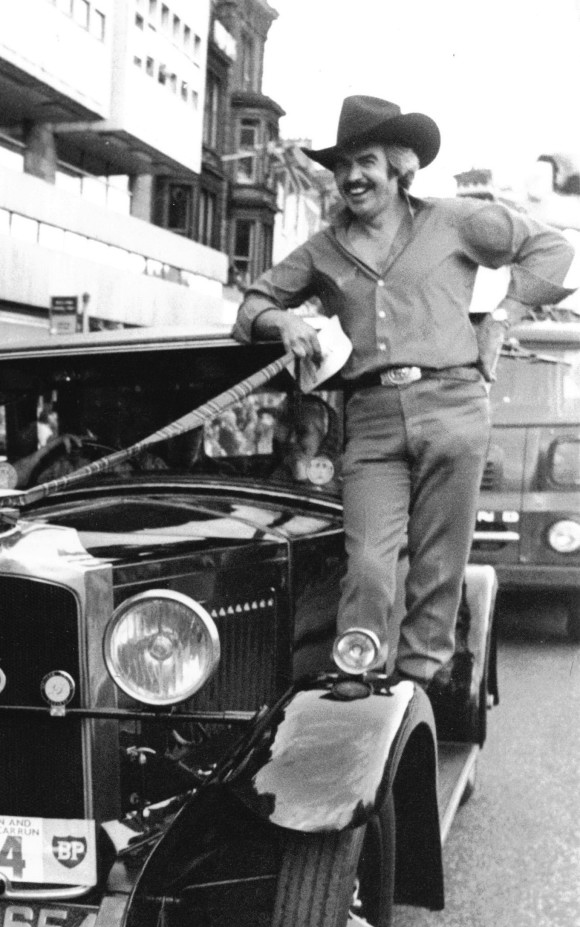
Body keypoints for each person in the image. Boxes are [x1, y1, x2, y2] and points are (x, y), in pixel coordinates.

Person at [232, 95, 574, 699]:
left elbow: (552, 249)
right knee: (366, 556)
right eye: (340, 167)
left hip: (454, 404)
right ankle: (359, 663)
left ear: (400, 168)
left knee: (441, 560)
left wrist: (503, 318)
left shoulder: (460, 220)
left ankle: (421, 677)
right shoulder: (322, 249)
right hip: (371, 419)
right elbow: (253, 302)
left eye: (364, 162)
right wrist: (281, 323)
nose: (351, 178)